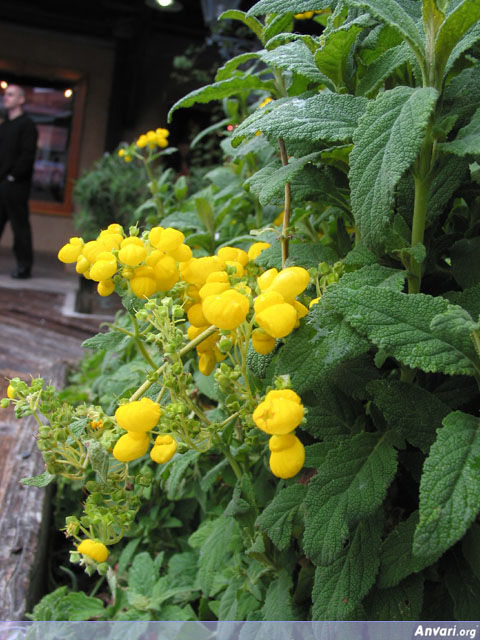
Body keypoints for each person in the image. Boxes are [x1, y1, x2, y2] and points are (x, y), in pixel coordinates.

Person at [0, 84, 38, 279]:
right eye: (5, 95)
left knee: (19, 227)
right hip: (1, 184)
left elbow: (27, 155)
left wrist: (13, 176)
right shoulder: (4, 125)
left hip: (16, 186)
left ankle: (24, 267)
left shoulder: (27, 125)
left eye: (11, 95)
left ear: (21, 99)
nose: (6, 98)